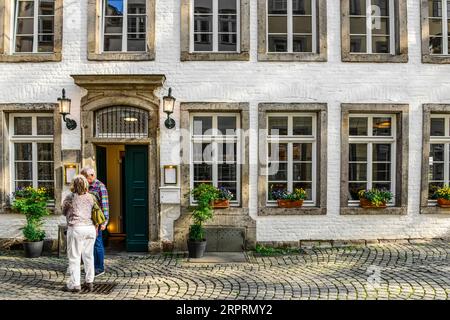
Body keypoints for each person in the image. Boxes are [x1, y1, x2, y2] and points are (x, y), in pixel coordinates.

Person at [62, 175, 97, 293]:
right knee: (89, 256)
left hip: (76, 228)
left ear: (73, 185)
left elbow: (63, 211)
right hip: (90, 228)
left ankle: (75, 284)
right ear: (86, 184)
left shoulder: (70, 197)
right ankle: (89, 282)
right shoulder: (91, 197)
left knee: (74, 257)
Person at [81, 167, 109, 277]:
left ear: (91, 176)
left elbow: (105, 205)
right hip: (86, 220)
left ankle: (99, 268)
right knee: (88, 244)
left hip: (97, 221)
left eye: (85, 178)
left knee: (97, 243)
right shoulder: (86, 186)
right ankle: (91, 267)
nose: (84, 180)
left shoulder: (100, 186)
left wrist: (104, 222)